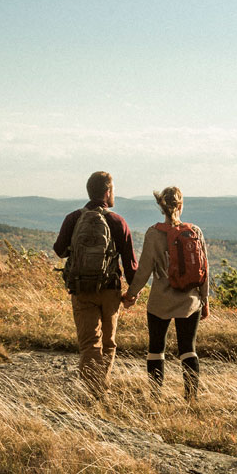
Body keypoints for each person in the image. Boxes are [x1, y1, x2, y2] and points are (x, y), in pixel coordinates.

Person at [54, 171, 138, 400]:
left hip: (81, 289)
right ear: (108, 192)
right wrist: (133, 292)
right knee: (108, 344)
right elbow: (130, 263)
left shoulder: (73, 218)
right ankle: (102, 390)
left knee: (90, 343)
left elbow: (59, 250)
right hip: (110, 289)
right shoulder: (117, 221)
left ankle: (92, 392)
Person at [123, 186, 209, 401]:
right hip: (190, 301)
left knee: (156, 348)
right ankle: (191, 399)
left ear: (161, 207)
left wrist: (131, 294)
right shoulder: (195, 231)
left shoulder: (153, 233)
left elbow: (144, 270)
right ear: (181, 205)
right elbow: (204, 270)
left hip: (160, 301)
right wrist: (204, 300)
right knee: (188, 349)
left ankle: (155, 396)